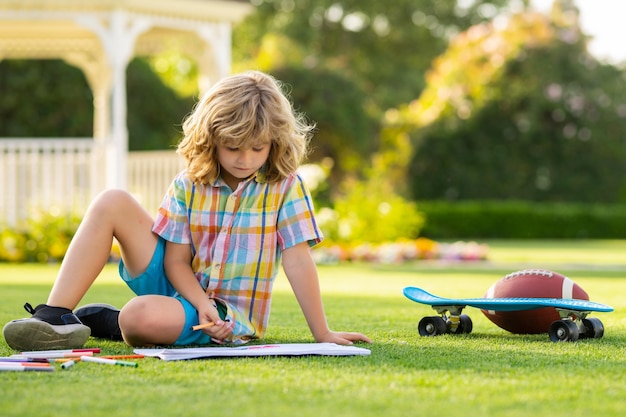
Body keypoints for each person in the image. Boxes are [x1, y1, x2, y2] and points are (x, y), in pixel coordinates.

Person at [3, 70, 371, 351]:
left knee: (136, 318)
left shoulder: (285, 187)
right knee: (111, 200)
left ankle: (115, 323)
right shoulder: (188, 182)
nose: (245, 159)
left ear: (274, 142)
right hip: (179, 282)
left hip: (227, 315)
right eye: (233, 147)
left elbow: (298, 260)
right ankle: (54, 318)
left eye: (257, 148)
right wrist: (198, 299)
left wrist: (322, 333)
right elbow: (176, 262)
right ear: (211, 139)